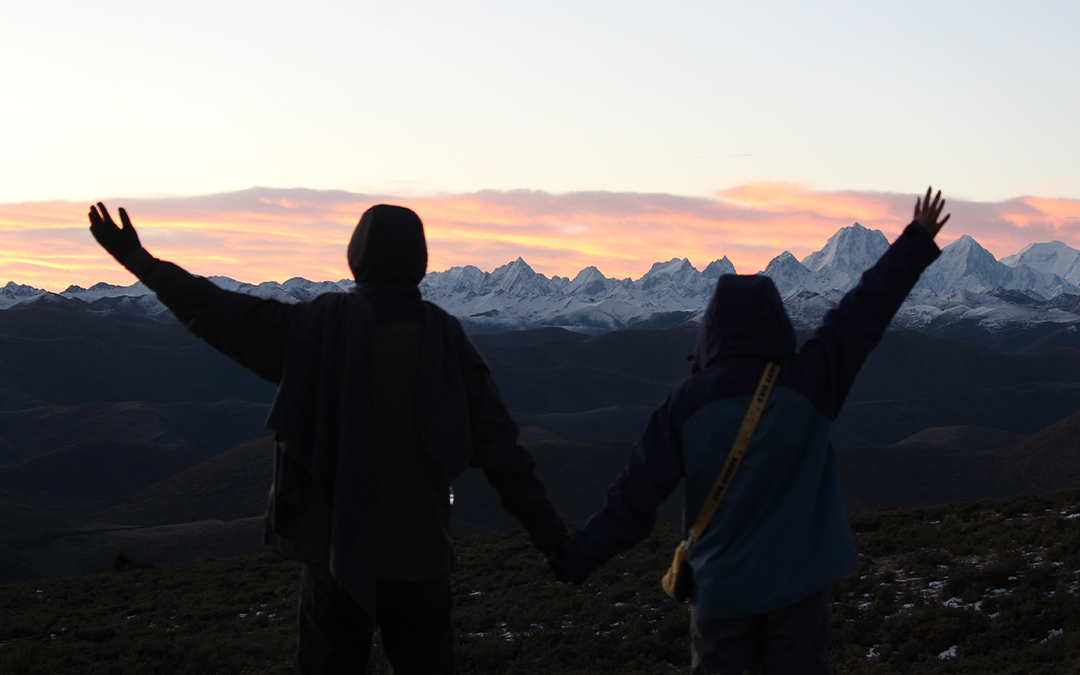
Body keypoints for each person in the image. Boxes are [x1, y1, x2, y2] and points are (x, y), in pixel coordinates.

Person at [88, 203, 567, 674]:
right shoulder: (447, 341)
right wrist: (553, 541)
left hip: (333, 554)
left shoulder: (315, 330)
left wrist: (138, 260)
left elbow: (215, 310)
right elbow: (505, 456)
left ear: (355, 259)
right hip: (420, 558)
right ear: (421, 263)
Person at [549, 188, 951, 674]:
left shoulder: (685, 404)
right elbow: (862, 312)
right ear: (776, 323)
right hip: (801, 586)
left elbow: (632, 503)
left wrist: (576, 558)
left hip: (722, 593)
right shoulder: (809, 381)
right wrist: (916, 241)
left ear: (711, 331)